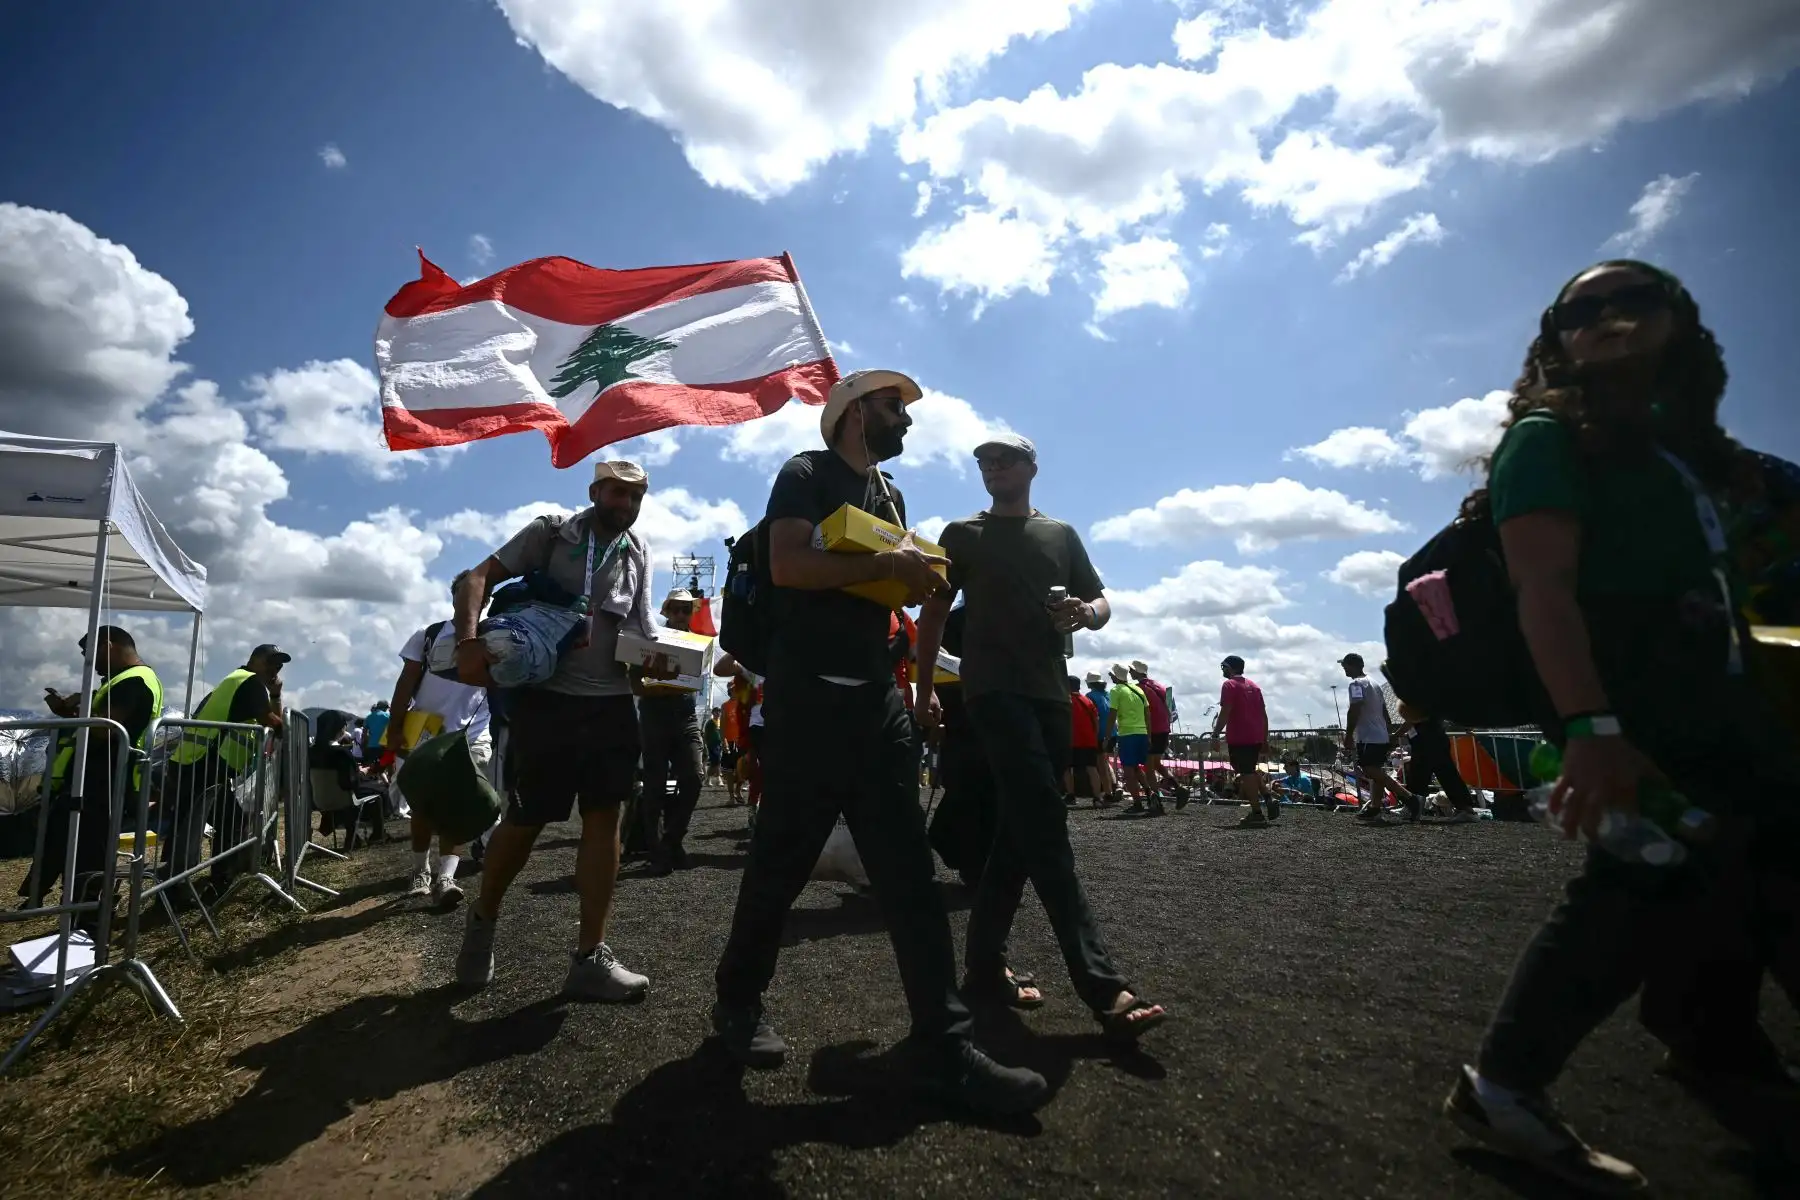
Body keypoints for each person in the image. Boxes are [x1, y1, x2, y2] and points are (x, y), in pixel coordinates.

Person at [1439, 260, 1800, 1194]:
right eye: (1581, 310)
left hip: (1733, 713)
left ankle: (1717, 1049)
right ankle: (1506, 1085)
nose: (1606, 319)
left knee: (1747, 872)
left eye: (1632, 300)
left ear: (1680, 321)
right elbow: (1545, 594)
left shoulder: (1694, 455)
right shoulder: (1550, 440)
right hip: (1631, 715)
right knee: (1633, 884)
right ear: (1556, 335)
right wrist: (1591, 727)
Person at [709, 367, 1048, 1116]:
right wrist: (886, 564)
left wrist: (915, 581)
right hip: (806, 708)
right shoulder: (803, 473)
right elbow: (788, 563)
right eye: (895, 407)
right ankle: (736, 1005)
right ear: (857, 412)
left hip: (877, 709)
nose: (908, 421)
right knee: (777, 869)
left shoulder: (890, 497)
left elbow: (879, 585)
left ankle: (943, 1047)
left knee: (910, 879)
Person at [916, 432, 1165, 1038]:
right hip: (993, 690)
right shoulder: (962, 534)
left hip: (1053, 691)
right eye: (983, 462)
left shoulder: (1061, 534)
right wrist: (922, 691)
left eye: (1003, 459)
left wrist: (1085, 613)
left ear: (1031, 467)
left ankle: (981, 965)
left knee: (1018, 831)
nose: (992, 468)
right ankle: (1102, 985)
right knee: (1045, 825)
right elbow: (934, 614)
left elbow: (1102, 601)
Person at [449, 459, 674, 1001]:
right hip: (548, 703)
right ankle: (483, 919)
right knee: (525, 822)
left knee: (606, 822)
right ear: (595, 491)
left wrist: (663, 663)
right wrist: (467, 645)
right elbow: (473, 579)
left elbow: (640, 628)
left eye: (635, 496)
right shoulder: (552, 532)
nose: (625, 505)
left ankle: (589, 957)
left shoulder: (638, 550)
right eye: (616, 493)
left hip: (614, 704)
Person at [30, 627, 163, 914]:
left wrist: (75, 717)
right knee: (79, 851)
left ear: (107, 645)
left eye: (89, 654)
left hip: (104, 782)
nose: (89, 662)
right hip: (101, 780)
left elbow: (105, 730)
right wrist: (75, 710)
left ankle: (88, 923)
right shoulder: (129, 679)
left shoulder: (133, 681)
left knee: (89, 857)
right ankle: (82, 916)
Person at [385, 579, 494, 907]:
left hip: (470, 736)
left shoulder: (495, 637)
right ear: (454, 598)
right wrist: (394, 728)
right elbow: (405, 683)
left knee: (456, 805)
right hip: (426, 735)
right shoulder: (428, 636)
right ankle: (420, 871)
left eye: (482, 594)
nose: (476, 599)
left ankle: (445, 878)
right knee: (423, 807)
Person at [163, 645, 288, 889]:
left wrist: (274, 695)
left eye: (280, 665)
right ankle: (212, 882)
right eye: (272, 662)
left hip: (195, 763)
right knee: (220, 823)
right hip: (204, 765)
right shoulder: (249, 682)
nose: (276, 669)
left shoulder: (234, 681)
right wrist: (288, 728)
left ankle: (180, 885)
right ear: (257, 661)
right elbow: (273, 723)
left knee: (191, 825)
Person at [635, 589, 708, 874]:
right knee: (654, 785)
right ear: (665, 612)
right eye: (675, 609)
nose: (680, 615)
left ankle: (671, 841)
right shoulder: (648, 640)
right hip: (654, 715)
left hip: (686, 716)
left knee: (694, 776)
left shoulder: (699, 644)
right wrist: (657, 681)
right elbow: (633, 681)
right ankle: (657, 851)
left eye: (685, 610)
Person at [1339, 653, 1409, 825]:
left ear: (1352, 665)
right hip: (1380, 734)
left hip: (1368, 736)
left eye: (1345, 666)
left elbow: (1355, 709)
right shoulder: (1375, 684)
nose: (1344, 669)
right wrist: (1390, 731)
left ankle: (1409, 798)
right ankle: (1375, 808)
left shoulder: (1355, 684)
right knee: (1376, 772)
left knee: (1370, 770)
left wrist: (1349, 735)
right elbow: (1385, 711)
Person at [1211, 655, 1274, 827]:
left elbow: (1226, 711)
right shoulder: (1254, 686)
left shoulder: (1229, 685)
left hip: (1240, 736)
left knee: (1246, 773)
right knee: (1248, 770)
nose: (1222, 670)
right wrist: (1264, 738)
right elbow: (1263, 715)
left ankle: (1257, 812)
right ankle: (1267, 796)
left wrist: (1215, 734)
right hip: (1255, 735)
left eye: (1223, 667)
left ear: (1229, 668)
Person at [1396, 701, 1478, 823]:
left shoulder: (1422, 700)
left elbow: (1413, 718)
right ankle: (1465, 809)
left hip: (1427, 740)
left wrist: (1397, 734)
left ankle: (1413, 808)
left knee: (1426, 774)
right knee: (1439, 774)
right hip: (1432, 739)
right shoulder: (1432, 699)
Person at [1130, 661, 1188, 806]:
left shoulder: (1139, 689)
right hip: (1164, 730)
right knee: (1157, 763)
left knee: (1149, 768)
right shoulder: (1159, 686)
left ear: (1138, 672)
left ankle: (1156, 802)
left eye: (1132, 670)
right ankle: (1179, 787)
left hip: (1151, 731)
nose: (1130, 672)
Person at [1065, 676, 1105, 806]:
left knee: (1067, 768)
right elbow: (1096, 721)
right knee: (1092, 768)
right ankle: (1097, 797)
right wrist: (1094, 736)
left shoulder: (1066, 700)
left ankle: (1071, 795)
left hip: (1071, 740)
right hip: (1088, 740)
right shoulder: (1087, 700)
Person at [1084, 671, 1121, 804]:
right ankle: (1116, 786)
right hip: (1113, 732)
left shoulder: (1089, 696)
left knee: (1101, 764)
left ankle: (1108, 792)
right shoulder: (1108, 695)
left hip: (1100, 734)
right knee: (1105, 761)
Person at [703, 707, 724, 787]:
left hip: (719, 745)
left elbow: (722, 733)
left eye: (719, 712)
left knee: (716, 762)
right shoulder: (710, 723)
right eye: (716, 712)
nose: (718, 713)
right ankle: (717, 780)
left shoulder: (720, 722)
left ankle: (708, 780)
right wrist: (705, 746)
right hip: (711, 745)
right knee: (716, 761)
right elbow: (705, 735)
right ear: (713, 713)